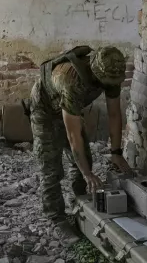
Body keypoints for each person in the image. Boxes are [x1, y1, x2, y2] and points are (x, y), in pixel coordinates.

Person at [28, 45, 133, 244]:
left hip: (70, 108)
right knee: (51, 168)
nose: (110, 85)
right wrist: (87, 174)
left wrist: (116, 152)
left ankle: (80, 203)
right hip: (45, 111)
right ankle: (56, 218)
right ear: (96, 73)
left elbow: (114, 114)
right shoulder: (71, 80)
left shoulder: (112, 71)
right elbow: (72, 135)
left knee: (85, 159)